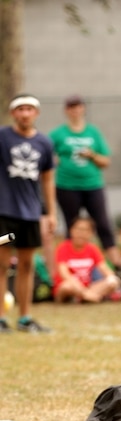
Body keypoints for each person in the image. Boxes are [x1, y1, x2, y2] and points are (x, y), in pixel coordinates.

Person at [0, 94, 55, 333]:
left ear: (36, 113)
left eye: (29, 109)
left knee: (26, 265)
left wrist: (50, 213)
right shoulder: (2, 137)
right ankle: (1, 317)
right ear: (14, 113)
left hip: (30, 215)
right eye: (20, 109)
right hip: (4, 213)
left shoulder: (44, 143)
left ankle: (25, 318)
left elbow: (48, 179)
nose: (25, 113)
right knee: (1, 265)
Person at [49, 95, 120, 268]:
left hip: (93, 185)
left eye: (78, 106)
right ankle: (70, 266)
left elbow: (106, 161)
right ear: (66, 111)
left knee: (103, 225)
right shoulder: (58, 134)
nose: (75, 110)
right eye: (71, 107)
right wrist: (54, 160)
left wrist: (92, 155)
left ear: (83, 109)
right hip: (66, 186)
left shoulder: (93, 132)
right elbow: (44, 156)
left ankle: (117, 265)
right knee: (72, 227)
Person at [53, 215, 121, 303]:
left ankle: (82, 297)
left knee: (114, 281)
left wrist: (112, 278)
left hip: (88, 286)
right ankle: (86, 296)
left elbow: (105, 269)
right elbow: (64, 273)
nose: (81, 233)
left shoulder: (92, 249)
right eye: (78, 229)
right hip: (70, 286)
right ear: (71, 230)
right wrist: (82, 291)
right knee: (66, 286)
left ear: (91, 233)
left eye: (85, 230)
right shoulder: (63, 248)